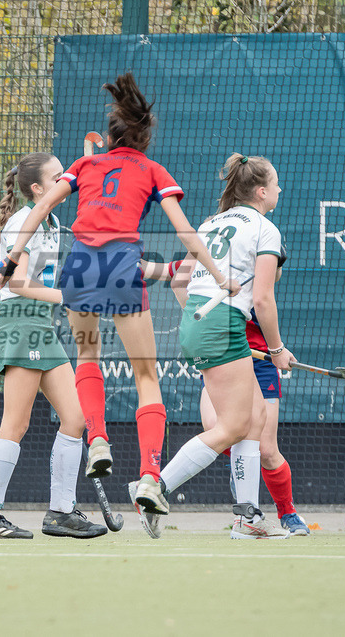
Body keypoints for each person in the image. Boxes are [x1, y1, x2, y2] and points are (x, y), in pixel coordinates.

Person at [0, 73, 237, 518]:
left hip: (82, 269)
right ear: (145, 139)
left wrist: (12, 256)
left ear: (109, 138)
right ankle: (149, 476)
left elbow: (44, 206)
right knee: (147, 377)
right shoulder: (150, 169)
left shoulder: (85, 166)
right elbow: (184, 229)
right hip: (123, 269)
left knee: (88, 358)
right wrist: (220, 276)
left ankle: (98, 440)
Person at [137, 153, 295, 539]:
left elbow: (180, 283)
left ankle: (248, 518)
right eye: (275, 184)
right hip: (223, 324)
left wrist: (205, 321)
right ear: (261, 191)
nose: (279, 189)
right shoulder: (265, 229)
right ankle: (153, 488)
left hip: (198, 321)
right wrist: (276, 350)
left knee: (254, 419)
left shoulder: (211, 222)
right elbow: (262, 300)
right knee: (235, 425)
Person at [0, 153, 106, 539]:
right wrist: (66, 297)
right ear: (37, 188)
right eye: (58, 176)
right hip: (21, 323)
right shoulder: (21, 222)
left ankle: (61, 513)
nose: (67, 180)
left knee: (75, 418)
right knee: (16, 422)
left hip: (41, 325)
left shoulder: (53, 220)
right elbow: (17, 282)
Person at [146, 247, 309, 536]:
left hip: (260, 362)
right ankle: (243, 513)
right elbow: (169, 275)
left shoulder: (259, 269)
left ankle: (285, 514)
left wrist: (277, 350)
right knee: (223, 431)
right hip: (224, 358)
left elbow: (268, 292)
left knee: (266, 448)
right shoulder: (209, 264)